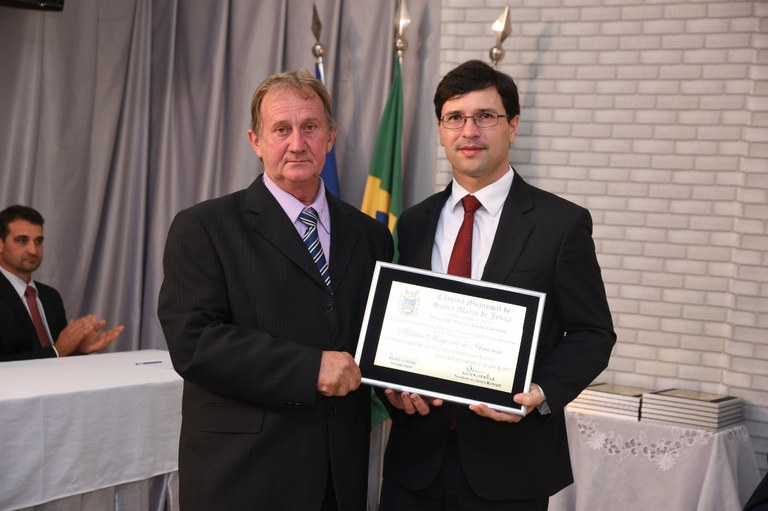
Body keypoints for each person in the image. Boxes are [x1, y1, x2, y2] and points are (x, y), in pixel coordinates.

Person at [377, 60, 616, 510]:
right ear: (440, 129)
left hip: (511, 467)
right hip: (415, 463)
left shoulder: (560, 224)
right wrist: (392, 387)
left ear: (513, 126)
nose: (469, 131)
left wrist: (538, 394)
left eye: (485, 116)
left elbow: (593, 334)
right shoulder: (413, 222)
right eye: (455, 117)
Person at [158, 69, 393, 511]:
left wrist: (409, 382)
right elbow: (194, 343)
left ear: (331, 136)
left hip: (339, 476)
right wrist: (310, 368)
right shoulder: (204, 227)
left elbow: (378, 340)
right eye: (281, 129)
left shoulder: (371, 236)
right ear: (256, 141)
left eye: (310, 127)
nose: (297, 143)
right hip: (245, 476)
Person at [0, 205, 123, 362]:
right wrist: (59, 350)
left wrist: (77, 349)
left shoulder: (50, 297)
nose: (33, 250)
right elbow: (57, 351)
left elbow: (59, 355)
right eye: (22, 241)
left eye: (38, 241)